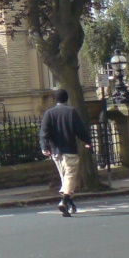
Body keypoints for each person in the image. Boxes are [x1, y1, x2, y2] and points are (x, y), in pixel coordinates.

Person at [39, 89, 92, 217]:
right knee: (70, 177)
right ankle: (64, 201)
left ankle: (69, 204)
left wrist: (44, 147)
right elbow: (79, 129)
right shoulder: (71, 112)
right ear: (66, 99)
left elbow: (43, 132)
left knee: (65, 178)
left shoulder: (49, 113)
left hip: (56, 152)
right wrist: (87, 141)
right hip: (70, 150)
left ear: (55, 99)